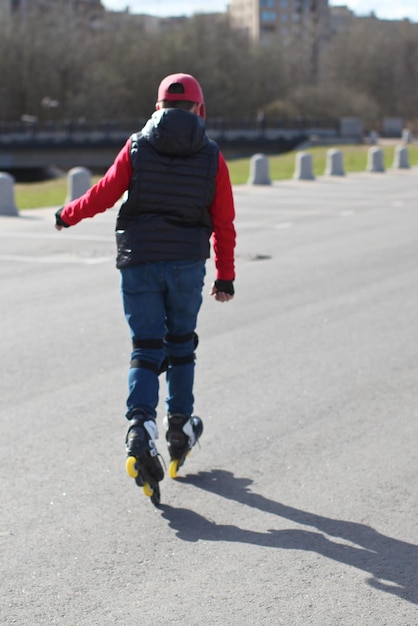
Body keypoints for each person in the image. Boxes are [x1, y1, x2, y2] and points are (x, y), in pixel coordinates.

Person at [55, 73, 236, 497]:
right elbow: (223, 223)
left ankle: (140, 430)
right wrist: (225, 275)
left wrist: (68, 214)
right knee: (180, 345)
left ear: (158, 107)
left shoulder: (138, 145)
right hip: (186, 266)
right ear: (200, 109)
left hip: (138, 262)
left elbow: (103, 193)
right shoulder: (212, 156)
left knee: (146, 348)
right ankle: (179, 429)